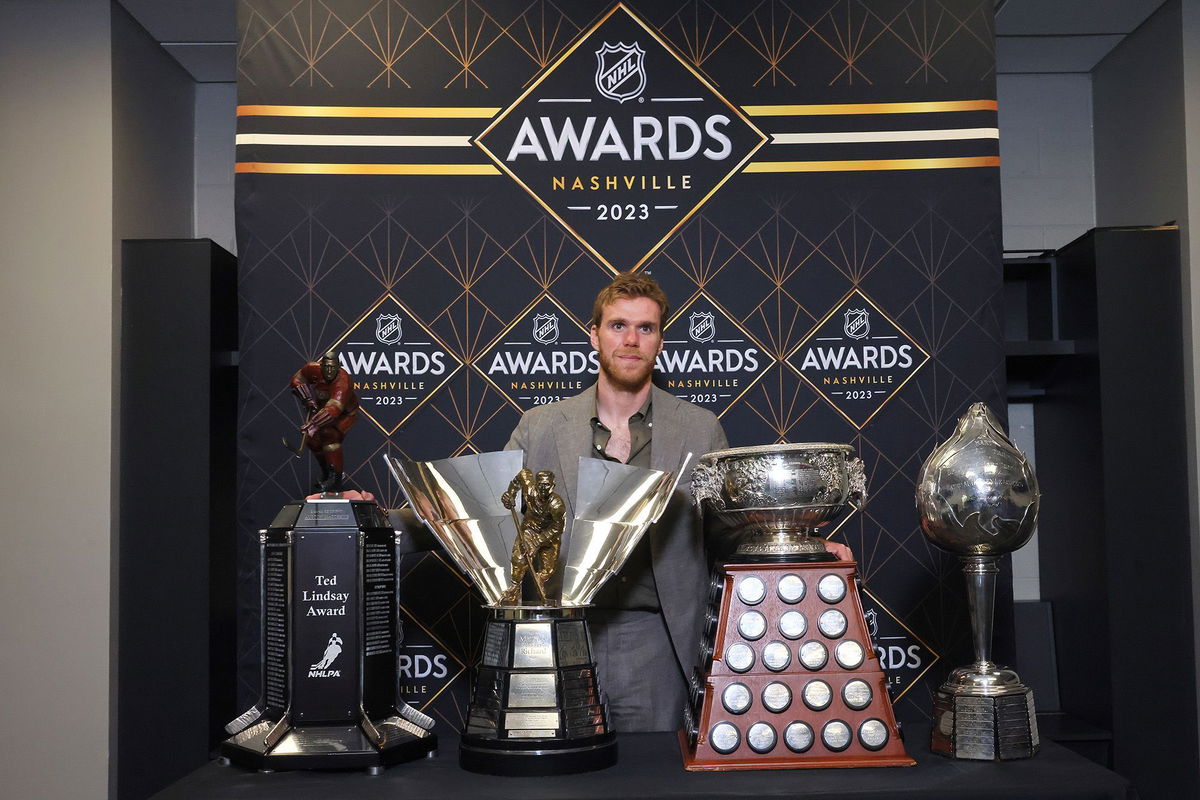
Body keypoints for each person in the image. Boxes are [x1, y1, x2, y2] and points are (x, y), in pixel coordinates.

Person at [504, 272, 726, 731]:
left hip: (657, 638)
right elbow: (491, 513)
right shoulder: (541, 425)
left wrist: (804, 553)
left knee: (653, 782)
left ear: (660, 342)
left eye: (646, 328)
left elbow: (728, 531)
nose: (631, 339)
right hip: (561, 632)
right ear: (594, 335)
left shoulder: (700, 429)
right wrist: (376, 519)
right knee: (557, 782)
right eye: (618, 325)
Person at [290, 350, 359, 492]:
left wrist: (313, 425)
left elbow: (333, 410)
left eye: (333, 368)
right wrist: (306, 397)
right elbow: (296, 380)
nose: (329, 371)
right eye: (326, 367)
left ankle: (336, 478)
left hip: (344, 415)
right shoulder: (312, 369)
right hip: (323, 410)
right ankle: (326, 471)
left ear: (339, 367)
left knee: (329, 435)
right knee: (312, 441)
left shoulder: (343, 381)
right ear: (321, 365)